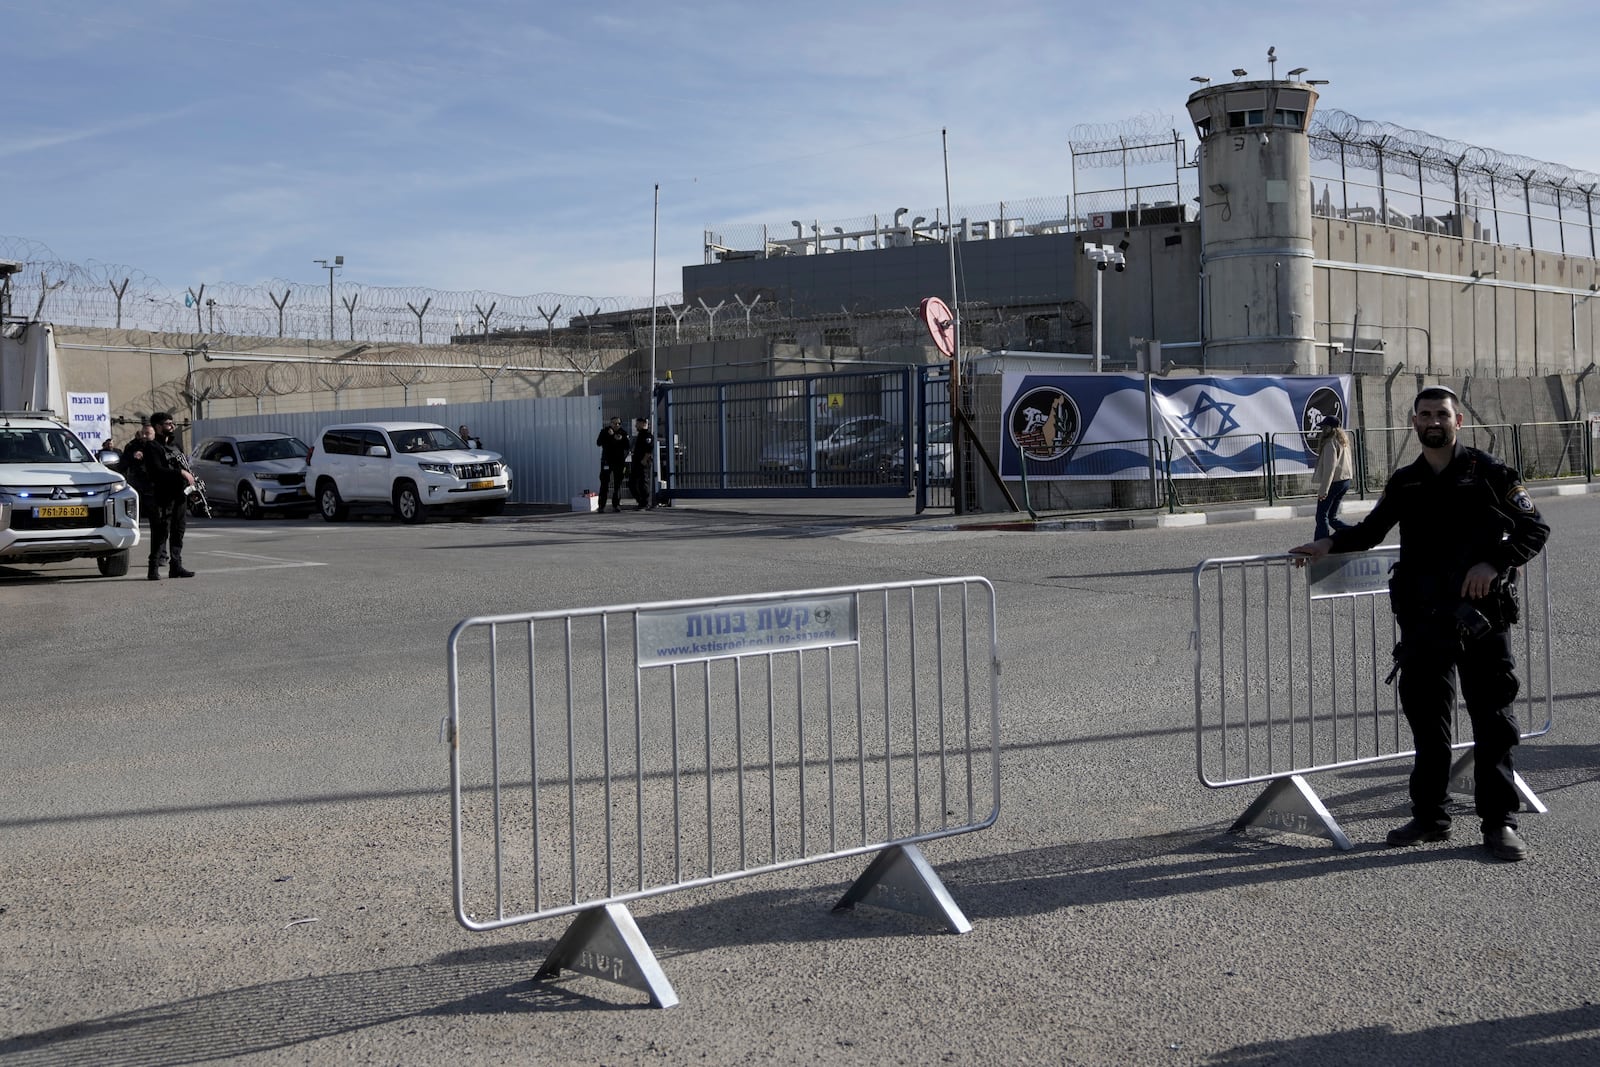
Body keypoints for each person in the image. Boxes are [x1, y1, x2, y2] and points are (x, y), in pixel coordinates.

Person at [1289, 385, 1549, 861]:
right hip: (1424, 621)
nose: (1434, 421)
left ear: (1458, 422)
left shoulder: (1491, 474)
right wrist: (1327, 544)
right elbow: (1370, 531)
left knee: (1492, 722)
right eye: (1425, 414)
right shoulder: (1406, 481)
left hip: (1480, 620)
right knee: (1428, 725)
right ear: (1414, 422)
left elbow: (1535, 529)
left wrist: (1494, 563)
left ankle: (1499, 823)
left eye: (1442, 414)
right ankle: (1430, 817)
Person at [132, 412, 197, 580]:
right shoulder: (152, 447)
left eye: (172, 423)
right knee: (161, 532)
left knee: (178, 530)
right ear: (158, 427)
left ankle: (176, 566)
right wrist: (180, 473)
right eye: (168, 424)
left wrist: (192, 484)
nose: (172, 426)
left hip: (179, 495)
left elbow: (185, 466)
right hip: (162, 496)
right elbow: (157, 471)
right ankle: (153, 568)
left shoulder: (176, 446)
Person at [121, 424, 168, 566]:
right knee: (127, 523)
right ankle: (120, 555)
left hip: (155, 490)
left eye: (148, 433)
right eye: (144, 433)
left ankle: (161, 555)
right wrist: (133, 457)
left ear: (154, 434)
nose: (145, 436)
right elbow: (122, 465)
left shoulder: (159, 447)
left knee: (159, 525)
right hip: (137, 490)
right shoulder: (132, 446)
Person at [1310, 415, 1353, 540]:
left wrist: (1324, 490)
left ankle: (1320, 544)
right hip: (1345, 480)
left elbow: (1330, 468)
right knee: (1332, 517)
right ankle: (1355, 534)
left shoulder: (1330, 443)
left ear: (1330, 429)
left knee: (1321, 515)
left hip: (1335, 482)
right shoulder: (1343, 441)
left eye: (1324, 427)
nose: (1322, 430)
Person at [595, 416, 629, 513]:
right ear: (610, 423)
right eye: (614, 423)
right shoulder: (605, 431)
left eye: (618, 423)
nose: (616, 425)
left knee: (617, 484)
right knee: (604, 483)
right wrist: (610, 436)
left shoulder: (623, 433)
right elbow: (598, 443)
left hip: (619, 462)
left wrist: (619, 439)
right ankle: (601, 505)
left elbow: (627, 446)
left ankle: (616, 504)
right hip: (607, 461)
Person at [629, 416, 656, 510]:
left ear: (643, 424)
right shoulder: (639, 435)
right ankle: (640, 501)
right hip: (636, 462)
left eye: (637, 423)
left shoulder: (647, 436)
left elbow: (649, 449)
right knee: (632, 483)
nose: (636, 425)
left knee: (643, 484)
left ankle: (645, 503)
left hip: (642, 463)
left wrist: (644, 460)